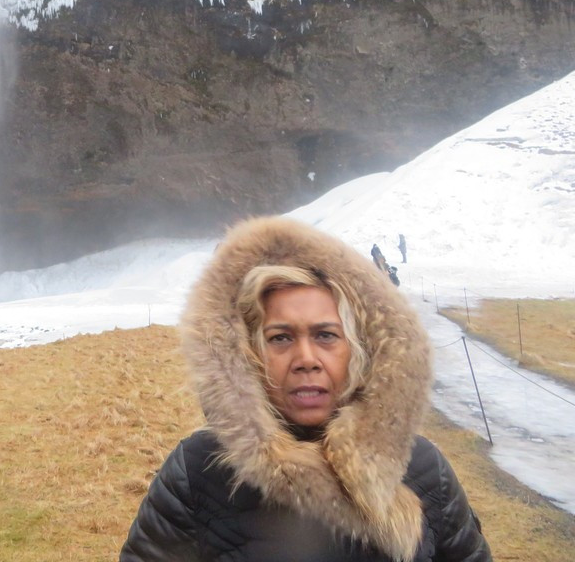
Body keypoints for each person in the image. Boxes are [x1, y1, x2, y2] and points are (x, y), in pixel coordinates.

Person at [120, 216, 491, 562]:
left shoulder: (424, 469)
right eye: (280, 337)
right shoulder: (196, 472)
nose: (306, 359)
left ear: (359, 350)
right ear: (247, 354)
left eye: (326, 335)